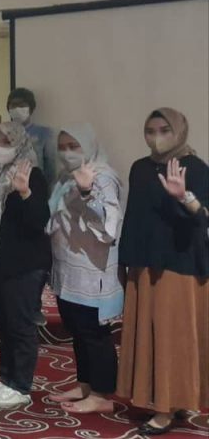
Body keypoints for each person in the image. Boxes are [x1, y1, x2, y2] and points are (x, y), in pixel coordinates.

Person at [116, 108, 208, 436]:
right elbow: (134, 216)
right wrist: (123, 261)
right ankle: (170, 399)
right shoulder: (140, 168)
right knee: (149, 334)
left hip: (178, 264)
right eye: (150, 130)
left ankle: (166, 410)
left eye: (164, 130)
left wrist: (184, 197)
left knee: (173, 336)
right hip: (144, 263)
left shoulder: (195, 167)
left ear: (179, 131)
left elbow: (202, 216)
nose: (156, 137)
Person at [44, 124, 123, 415]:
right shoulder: (65, 178)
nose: (67, 153)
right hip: (68, 269)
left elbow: (108, 229)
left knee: (94, 333)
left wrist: (88, 192)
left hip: (92, 270)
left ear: (88, 146)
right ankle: (85, 384)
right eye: (62, 147)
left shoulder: (103, 177)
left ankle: (102, 393)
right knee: (77, 330)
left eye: (73, 146)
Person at [0, 121, 50, 409]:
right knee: (3, 323)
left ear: (19, 143)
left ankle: (20, 385)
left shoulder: (32, 174)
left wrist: (24, 192)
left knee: (20, 325)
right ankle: (6, 379)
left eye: (7, 141)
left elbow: (38, 220)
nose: (0, 147)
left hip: (25, 264)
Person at [4, 88, 56, 181]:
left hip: (36, 185)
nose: (17, 108)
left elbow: (50, 169)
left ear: (31, 109)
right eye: (14, 105)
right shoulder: (2, 134)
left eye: (22, 105)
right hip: (8, 186)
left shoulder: (44, 133)